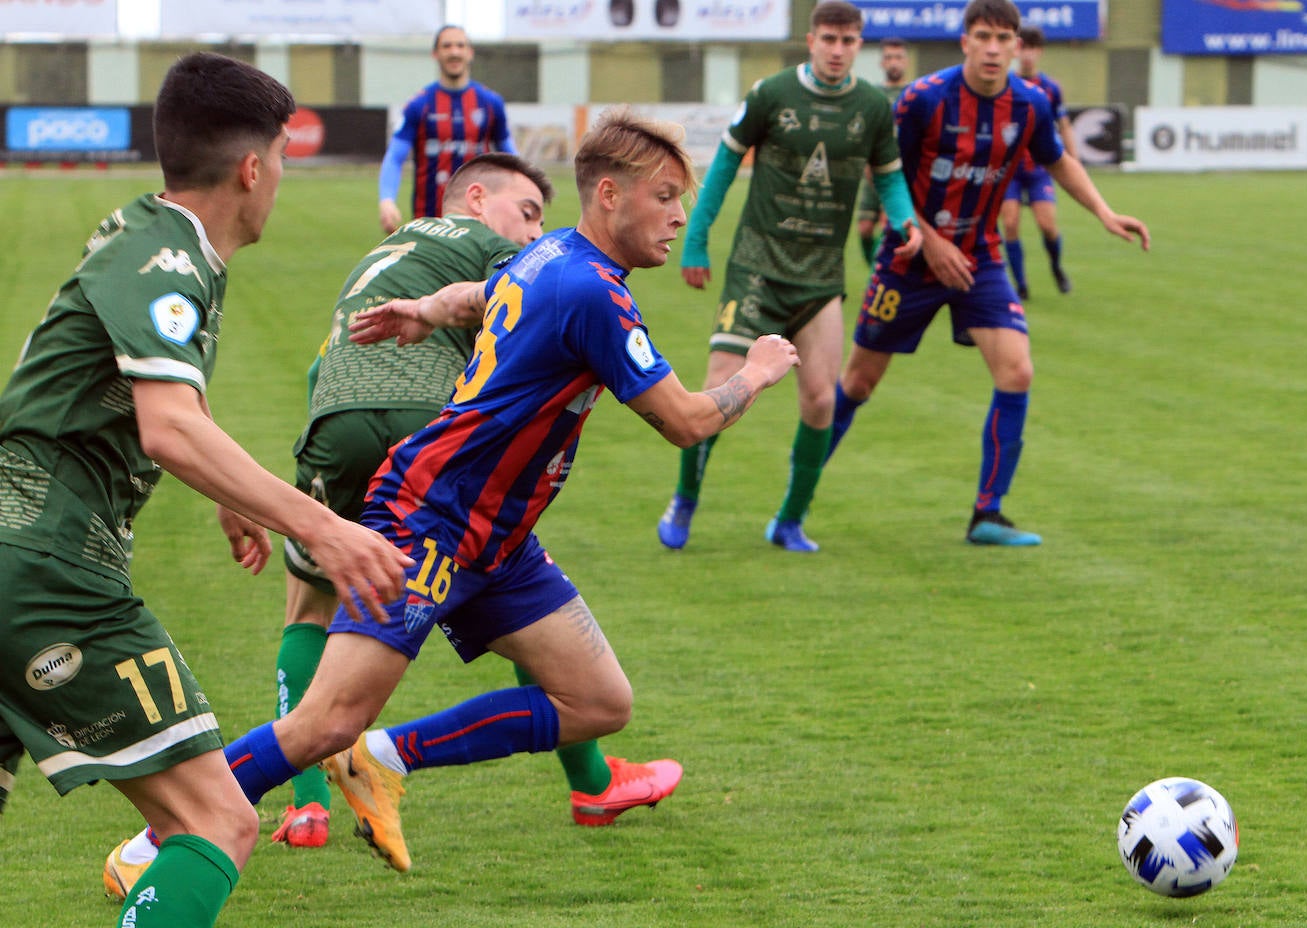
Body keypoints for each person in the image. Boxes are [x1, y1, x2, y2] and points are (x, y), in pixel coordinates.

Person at [106, 105, 799, 879]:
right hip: (430, 520)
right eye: (665, 196)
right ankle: (151, 845)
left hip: (498, 539)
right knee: (324, 720)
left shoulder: (551, 259)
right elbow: (685, 421)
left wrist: (425, 309)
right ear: (608, 194)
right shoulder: (593, 290)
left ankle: (386, 759)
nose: (679, 215)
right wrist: (757, 372)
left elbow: (481, 292)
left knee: (599, 702)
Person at [0, 53, 410, 928]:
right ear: (254, 169)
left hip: (18, 557)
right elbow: (169, 427)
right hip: (47, 568)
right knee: (218, 819)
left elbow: (165, 401)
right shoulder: (168, 257)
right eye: (285, 163)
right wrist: (323, 530)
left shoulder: (147, 235)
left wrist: (231, 492)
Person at [827, 0, 1149, 547]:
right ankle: (799, 489)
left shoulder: (1030, 105)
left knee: (1017, 371)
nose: (995, 48)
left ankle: (987, 515)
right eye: (984, 36)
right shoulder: (924, 100)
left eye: (1005, 37)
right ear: (965, 42)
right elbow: (885, 176)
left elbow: (1058, 160)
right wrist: (928, 242)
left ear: (1017, 45)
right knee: (858, 382)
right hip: (908, 259)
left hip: (980, 257)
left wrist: (1103, 211)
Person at [656, 0, 921, 554]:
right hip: (757, 270)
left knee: (822, 401)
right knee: (717, 390)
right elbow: (725, 166)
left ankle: (790, 521)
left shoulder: (872, 107)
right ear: (811, 40)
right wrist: (697, 240)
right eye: (829, 39)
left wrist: (905, 221)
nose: (837, 50)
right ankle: (685, 498)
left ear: (859, 45)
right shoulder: (772, 94)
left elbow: (891, 179)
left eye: (848, 42)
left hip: (821, 279)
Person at [378, 24, 516, 234]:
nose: (454, 52)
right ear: (436, 53)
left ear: (470, 53)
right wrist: (387, 200)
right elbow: (394, 158)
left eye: (460, 46)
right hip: (430, 224)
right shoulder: (419, 105)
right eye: (447, 46)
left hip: (480, 223)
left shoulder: (491, 103)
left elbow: (512, 158)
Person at [999, 25, 1078, 299]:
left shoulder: (1051, 88)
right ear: (1016, 49)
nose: (1028, 54)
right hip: (1009, 169)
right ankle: (1020, 285)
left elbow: (1064, 125)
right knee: (1009, 224)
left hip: (1038, 169)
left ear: (1040, 52)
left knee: (1047, 225)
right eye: (1024, 48)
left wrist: (1073, 160)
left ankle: (1056, 266)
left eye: (1033, 48)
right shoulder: (1004, 83)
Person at [854, 38, 911, 267]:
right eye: (889, 58)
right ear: (881, 62)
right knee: (865, 228)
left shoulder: (913, 93)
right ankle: (875, 270)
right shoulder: (873, 95)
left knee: (891, 227)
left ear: (906, 61)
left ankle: (886, 275)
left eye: (898, 58)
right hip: (872, 172)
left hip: (900, 174)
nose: (894, 63)